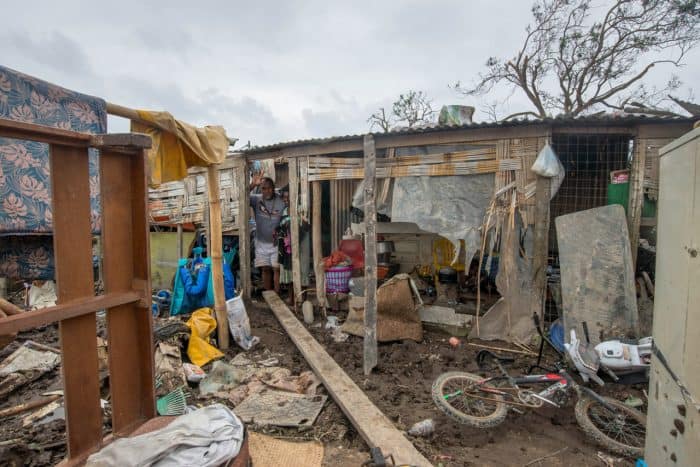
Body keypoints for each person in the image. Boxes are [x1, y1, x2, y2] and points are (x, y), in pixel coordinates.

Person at [250, 174, 286, 293]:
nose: (267, 190)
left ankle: (276, 294)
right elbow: (242, 197)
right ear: (261, 189)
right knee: (265, 269)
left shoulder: (280, 200)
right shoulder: (256, 199)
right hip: (261, 242)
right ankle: (268, 295)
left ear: (273, 188)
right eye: (264, 188)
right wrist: (253, 184)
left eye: (269, 187)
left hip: (277, 242)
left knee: (276, 268)